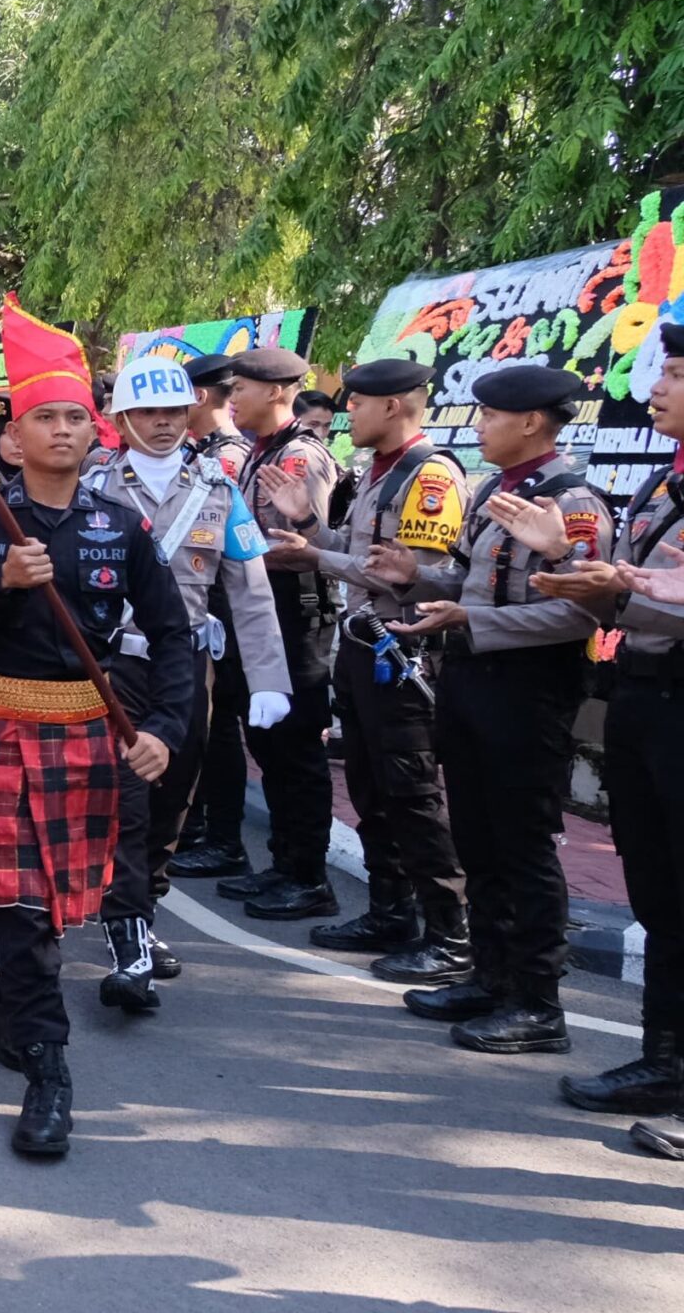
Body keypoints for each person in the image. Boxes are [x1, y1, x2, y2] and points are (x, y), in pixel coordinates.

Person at [0, 312, 194, 1159]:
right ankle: (50, 1069)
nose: (64, 430)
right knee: (23, 908)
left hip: (88, 730)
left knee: (54, 909)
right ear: (11, 439)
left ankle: (11, 1008)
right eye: (46, 417)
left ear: (94, 431)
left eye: (77, 417)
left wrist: (162, 727)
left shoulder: (121, 526)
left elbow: (174, 632)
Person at [365, 365, 610, 1056]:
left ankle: (536, 1002)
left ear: (531, 421)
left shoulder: (575, 504)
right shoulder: (493, 492)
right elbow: (472, 578)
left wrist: (470, 619)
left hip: (528, 691)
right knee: (477, 837)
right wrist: (416, 577)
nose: (477, 428)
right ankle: (490, 977)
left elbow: (576, 612)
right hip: (472, 680)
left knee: (523, 845)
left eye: (488, 416)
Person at [86, 355, 291, 1007]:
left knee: (173, 801)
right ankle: (128, 948)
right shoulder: (94, 487)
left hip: (186, 670)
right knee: (127, 801)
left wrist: (268, 680)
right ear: (122, 419)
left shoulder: (218, 492)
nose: (164, 424)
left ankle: (142, 913)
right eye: (148, 412)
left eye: (173, 411)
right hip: (114, 664)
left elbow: (251, 592)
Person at [260, 358, 469, 975]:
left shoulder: (429, 475)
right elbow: (353, 554)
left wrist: (316, 558)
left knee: (412, 794)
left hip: (402, 653)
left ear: (396, 405)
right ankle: (390, 911)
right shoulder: (381, 472)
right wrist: (306, 526)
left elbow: (404, 580)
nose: (347, 410)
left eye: (359, 402)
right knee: (371, 789)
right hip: (361, 648)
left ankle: (449, 934)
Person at [546, 326, 684, 1153]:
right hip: (644, 698)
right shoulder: (664, 484)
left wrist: (619, 590)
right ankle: (663, 1063)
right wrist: (569, 561)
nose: (655, 385)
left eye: (673, 373)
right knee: (662, 901)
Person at [191, 345, 340, 923]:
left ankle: (308, 875)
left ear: (277, 392)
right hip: (258, 614)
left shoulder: (300, 456)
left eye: (245, 389)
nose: (237, 399)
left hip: (293, 617)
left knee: (296, 747)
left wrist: (227, 558)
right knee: (269, 746)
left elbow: (304, 548)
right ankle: (283, 863)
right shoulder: (260, 453)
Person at [174, 353, 255, 870]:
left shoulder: (226, 459)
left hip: (222, 604)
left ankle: (224, 840)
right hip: (203, 607)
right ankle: (199, 823)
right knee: (199, 726)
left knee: (219, 728)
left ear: (198, 397)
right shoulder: (202, 450)